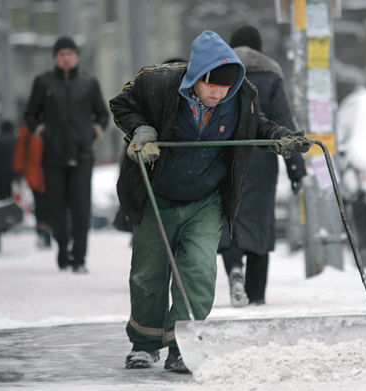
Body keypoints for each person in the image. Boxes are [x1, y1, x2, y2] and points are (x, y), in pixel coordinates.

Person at [109, 30, 311, 373]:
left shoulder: (240, 96)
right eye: (212, 86)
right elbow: (121, 104)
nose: (219, 93)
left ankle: (181, 344)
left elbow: (254, 125)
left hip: (205, 200)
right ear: (196, 77)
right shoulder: (158, 83)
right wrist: (142, 131)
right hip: (156, 195)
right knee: (148, 274)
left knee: (199, 271)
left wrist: (279, 138)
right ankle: (144, 343)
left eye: (225, 88)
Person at [217, 26, 307, 307]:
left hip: (226, 158)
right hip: (262, 160)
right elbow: (284, 122)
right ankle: (256, 296)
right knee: (259, 223)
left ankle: (233, 268)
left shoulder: (220, 72)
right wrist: (296, 168)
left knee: (228, 217)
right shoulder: (270, 74)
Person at [24, 36, 109, 273]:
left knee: (81, 207)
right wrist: (42, 131)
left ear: (77, 56)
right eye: (61, 54)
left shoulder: (89, 83)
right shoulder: (44, 83)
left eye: (70, 53)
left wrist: (95, 132)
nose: (66, 58)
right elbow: (30, 114)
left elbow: (103, 114)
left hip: (82, 153)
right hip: (53, 154)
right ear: (55, 57)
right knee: (57, 206)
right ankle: (62, 247)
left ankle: (80, 257)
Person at [12, 124, 51, 248]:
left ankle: (44, 233)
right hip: (40, 173)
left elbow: (21, 149)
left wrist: (18, 169)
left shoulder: (28, 127)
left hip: (38, 172)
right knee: (44, 205)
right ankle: (45, 233)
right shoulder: (30, 127)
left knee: (41, 205)